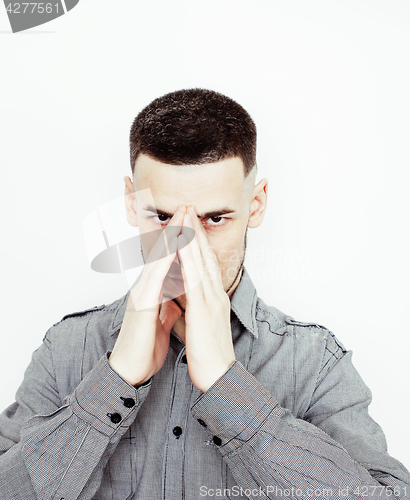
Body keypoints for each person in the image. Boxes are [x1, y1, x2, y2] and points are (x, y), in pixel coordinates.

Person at [0, 88, 409, 500]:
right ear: (130, 201)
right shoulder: (66, 350)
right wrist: (114, 378)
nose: (184, 248)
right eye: (162, 217)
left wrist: (225, 385)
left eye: (215, 218)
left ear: (256, 204)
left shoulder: (316, 363)